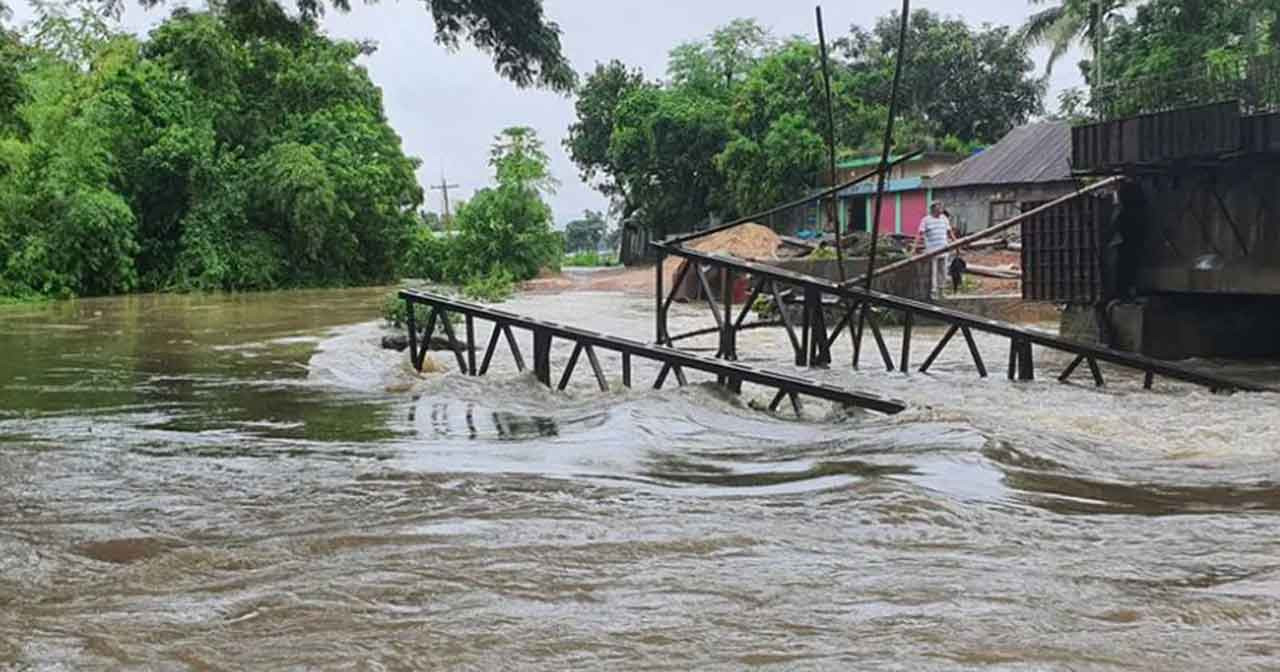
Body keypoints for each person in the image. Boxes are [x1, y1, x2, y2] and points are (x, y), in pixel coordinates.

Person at [912, 202, 955, 299]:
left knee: (943, 272)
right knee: (933, 274)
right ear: (933, 209)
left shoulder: (944, 219)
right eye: (939, 207)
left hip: (944, 250)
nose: (941, 209)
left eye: (941, 207)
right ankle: (933, 293)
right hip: (932, 251)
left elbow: (949, 232)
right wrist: (914, 248)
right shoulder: (926, 220)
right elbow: (920, 234)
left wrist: (956, 244)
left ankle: (942, 291)